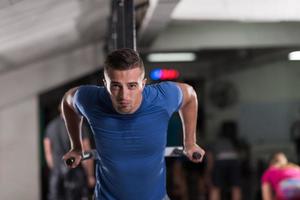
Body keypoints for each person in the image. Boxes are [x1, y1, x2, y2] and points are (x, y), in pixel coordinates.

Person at [60, 48, 205, 200]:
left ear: (143, 84)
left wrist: (190, 142)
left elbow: (190, 95)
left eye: (132, 86)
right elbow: (67, 101)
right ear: (105, 84)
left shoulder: (162, 98)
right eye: (116, 86)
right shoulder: (91, 99)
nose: (124, 96)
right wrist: (76, 146)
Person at [43, 109, 95, 200]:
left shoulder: (50, 126)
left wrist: (55, 168)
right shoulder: (79, 126)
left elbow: (48, 153)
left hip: (57, 175)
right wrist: (90, 175)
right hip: (76, 174)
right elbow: (87, 152)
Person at [207, 121, 242, 200]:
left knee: (216, 188)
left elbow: (210, 158)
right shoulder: (236, 141)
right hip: (234, 161)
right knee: (236, 187)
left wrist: (209, 171)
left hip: (220, 161)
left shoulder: (216, 142)